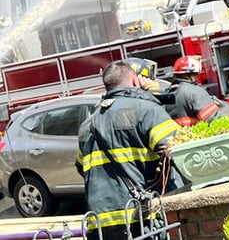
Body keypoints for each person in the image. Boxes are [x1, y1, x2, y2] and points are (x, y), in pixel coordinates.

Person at [76, 60, 181, 240]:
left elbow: (80, 167)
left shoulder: (87, 126)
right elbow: (179, 152)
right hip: (142, 220)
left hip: (101, 225)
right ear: (134, 81)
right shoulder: (147, 111)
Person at [163, 55, 221, 126]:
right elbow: (214, 120)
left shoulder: (166, 95)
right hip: (199, 135)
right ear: (191, 75)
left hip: (179, 136)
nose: (197, 77)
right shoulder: (195, 92)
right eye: (195, 74)